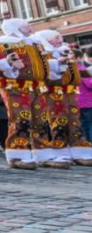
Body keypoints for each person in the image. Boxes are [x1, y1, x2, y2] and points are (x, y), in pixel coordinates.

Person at [0, 18, 54, 170]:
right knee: (21, 119)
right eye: (26, 24)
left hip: (37, 86)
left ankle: (43, 153)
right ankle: (18, 154)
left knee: (40, 120)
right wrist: (8, 63)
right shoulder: (2, 44)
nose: (31, 27)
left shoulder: (34, 43)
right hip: (15, 86)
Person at [35, 30, 86, 168]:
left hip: (69, 92)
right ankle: (60, 150)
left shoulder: (65, 51)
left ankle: (79, 151)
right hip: (53, 92)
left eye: (60, 37)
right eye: (56, 38)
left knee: (74, 121)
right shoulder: (45, 54)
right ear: (48, 40)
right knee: (58, 120)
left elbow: (75, 71)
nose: (60, 40)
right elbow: (44, 73)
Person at [80, 50, 92, 166]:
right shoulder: (82, 68)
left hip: (87, 101)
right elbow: (89, 84)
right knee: (88, 125)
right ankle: (89, 146)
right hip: (85, 102)